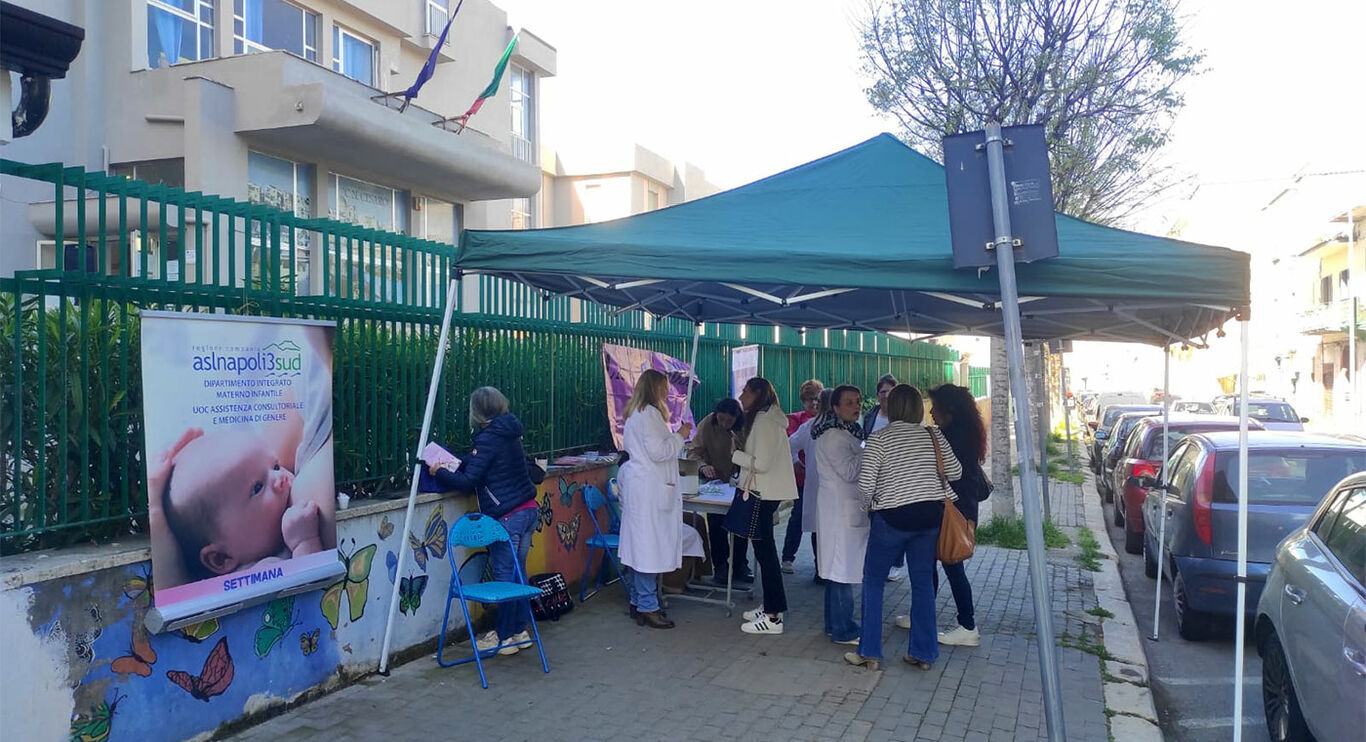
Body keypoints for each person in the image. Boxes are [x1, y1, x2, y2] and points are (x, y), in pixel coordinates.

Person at [845, 384, 962, 671]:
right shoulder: (933, 436)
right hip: (929, 519)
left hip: (891, 519)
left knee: (873, 582)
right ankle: (923, 653)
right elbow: (957, 472)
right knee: (923, 584)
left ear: (892, 407)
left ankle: (870, 652)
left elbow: (866, 485)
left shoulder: (879, 439)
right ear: (919, 408)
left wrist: (868, 505)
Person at [426, 387, 539, 655]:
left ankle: (503, 636)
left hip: (507, 515)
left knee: (504, 579)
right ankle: (520, 631)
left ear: (477, 412)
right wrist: (461, 461)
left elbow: (469, 482)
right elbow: (483, 464)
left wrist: (440, 471)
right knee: (518, 574)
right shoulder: (508, 431)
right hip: (527, 510)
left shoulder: (488, 438)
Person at [909, 383, 990, 647]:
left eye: (936, 407)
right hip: (960, 507)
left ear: (950, 410)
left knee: (951, 565)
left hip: (951, 509)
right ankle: (923, 613)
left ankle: (967, 626)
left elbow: (946, 473)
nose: (931, 412)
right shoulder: (966, 433)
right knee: (935, 562)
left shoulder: (948, 437)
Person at [617, 369, 694, 629]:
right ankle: (648, 605)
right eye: (663, 387)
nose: (667, 391)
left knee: (641, 547)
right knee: (647, 549)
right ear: (653, 388)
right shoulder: (647, 415)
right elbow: (659, 452)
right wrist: (680, 435)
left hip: (645, 488)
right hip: (648, 490)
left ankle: (639, 601)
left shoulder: (639, 414)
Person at [732, 376, 799, 635]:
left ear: (758, 393)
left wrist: (735, 455)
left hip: (763, 492)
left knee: (766, 553)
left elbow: (761, 463)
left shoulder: (764, 421)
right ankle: (772, 606)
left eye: (746, 392)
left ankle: (773, 616)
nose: (741, 397)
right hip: (765, 491)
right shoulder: (768, 418)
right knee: (764, 552)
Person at [812, 384, 867, 646]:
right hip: (838, 509)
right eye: (849, 403)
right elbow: (848, 471)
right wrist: (870, 452)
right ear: (835, 407)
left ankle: (834, 624)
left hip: (842, 507)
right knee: (841, 569)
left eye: (857, 401)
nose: (856, 406)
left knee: (838, 569)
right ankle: (843, 628)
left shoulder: (845, 432)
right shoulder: (834, 436)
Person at [687, 397, 752, 586]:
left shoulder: (745, 427)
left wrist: (737, 441)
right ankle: (721, 567)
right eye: (721, 419)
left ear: (737, 418)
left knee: (740, 527)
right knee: (716, 525)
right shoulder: (707, 423)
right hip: (715, 483)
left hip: (740, 483)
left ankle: (740, 565)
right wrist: (702, 466)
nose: (724, 423)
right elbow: (693, 451)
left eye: (728, 421)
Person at [788, 388, 833, 584]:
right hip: (823, 486)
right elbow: (789, 445)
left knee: (820, 527)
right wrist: (795, 460)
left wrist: (794, 458)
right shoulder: (811, 426)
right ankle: (823, 567)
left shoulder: (811, 426)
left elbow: (789, 445)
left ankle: (822, 568)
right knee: (823, 527)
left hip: (818, 485)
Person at [782, 379, 824, 575]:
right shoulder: (796, 420)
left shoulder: (827, 420)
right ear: (802, 401)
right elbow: (788, 443)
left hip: (820, 481)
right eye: (808, 400)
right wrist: (794, 461)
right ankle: (788, 557)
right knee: (797, 517)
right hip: (800, 479)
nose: (813, 404)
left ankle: (819, 564)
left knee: (819, 522)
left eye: (816, 399)